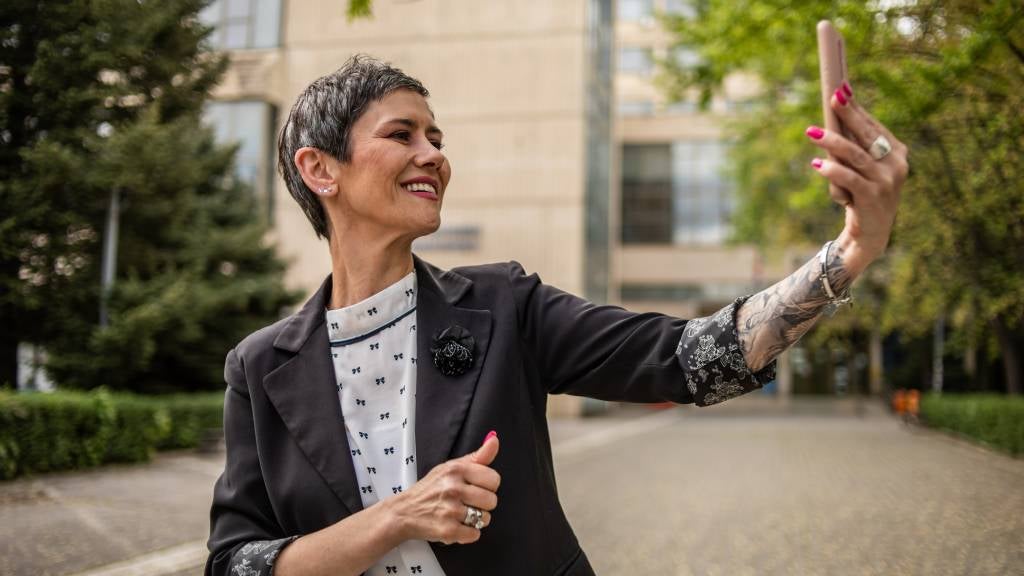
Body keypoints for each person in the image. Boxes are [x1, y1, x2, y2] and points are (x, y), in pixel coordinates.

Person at [205, 55, 907, 576]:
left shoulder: (504, 304)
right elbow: (235, 563)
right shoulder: (261, 366)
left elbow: (694, 357)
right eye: (404, 134)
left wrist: (853, 248)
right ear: (320, 170)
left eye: (437, 137)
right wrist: (397, 518)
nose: (434, 156)